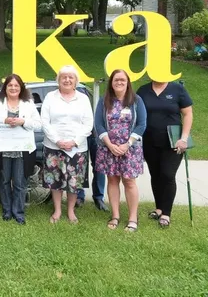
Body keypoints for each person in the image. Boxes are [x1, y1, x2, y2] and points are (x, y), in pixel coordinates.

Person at [0, 74, 41, 224]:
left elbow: (38, 124)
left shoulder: (28, 103)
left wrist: (24, 121)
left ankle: (19, 212)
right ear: (5, 87)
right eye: (10, 85)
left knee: (20, 182)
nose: (13, 88)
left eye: (16, 85)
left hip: (23, 150)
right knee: (4, 181)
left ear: (21, 87)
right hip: (3, 150)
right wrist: (3, 121)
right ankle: (7, 211)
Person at [94, 70, 147, 232]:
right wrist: (109, 144)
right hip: (108, 148)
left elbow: (141, 124)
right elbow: (99, 124)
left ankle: (132, 218)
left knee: (129, 182)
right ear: (111, 82)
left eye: (122, 80)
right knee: (112, 181)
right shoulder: (104, 101)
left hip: (129, 149)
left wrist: (127, 144)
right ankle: (115, 215)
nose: (119, 82)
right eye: (116, 80)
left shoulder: (136, 101)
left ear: (128, 82)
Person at [40, 65, 94, 224]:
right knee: (55, 180)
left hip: (77, 148)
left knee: (74, 182)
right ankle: (57, 210)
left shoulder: (83, 99)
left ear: (76, 81)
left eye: (71, 77)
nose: (67, 79)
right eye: (64, 77)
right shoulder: (50, 97)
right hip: (53, 146)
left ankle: (70, 211)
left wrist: (74, 141)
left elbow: (88, 123)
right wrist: (58, 140)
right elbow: (45, 121)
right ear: (58, 80)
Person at [137, 79, 193, 228]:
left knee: (168, 174)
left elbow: (187, 114)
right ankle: (159, 208)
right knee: (156, 175)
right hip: (149, 141)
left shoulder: (177, 89)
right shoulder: (143, 90)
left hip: (173, 142)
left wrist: (184, 138)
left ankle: (166, 214)